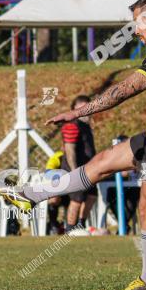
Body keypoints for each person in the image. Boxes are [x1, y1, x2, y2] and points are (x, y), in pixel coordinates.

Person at [0, 0, 146, 290]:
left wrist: (77, 112)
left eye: (138, 23)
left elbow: (126, 89)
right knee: (100, 163)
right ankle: (29, 195)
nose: (136, 31)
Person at [61, 95, 98, 236]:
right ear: (73, 110)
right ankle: (70, 229)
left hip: (89, 168)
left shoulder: (86, 126)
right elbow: (70, 150)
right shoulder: (72, 124)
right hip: (76, 169)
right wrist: (75, 171)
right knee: (77, 199)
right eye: (81, 108)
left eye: (87, 108)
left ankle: (80, 225)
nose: (85, 111)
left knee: (91, 196)